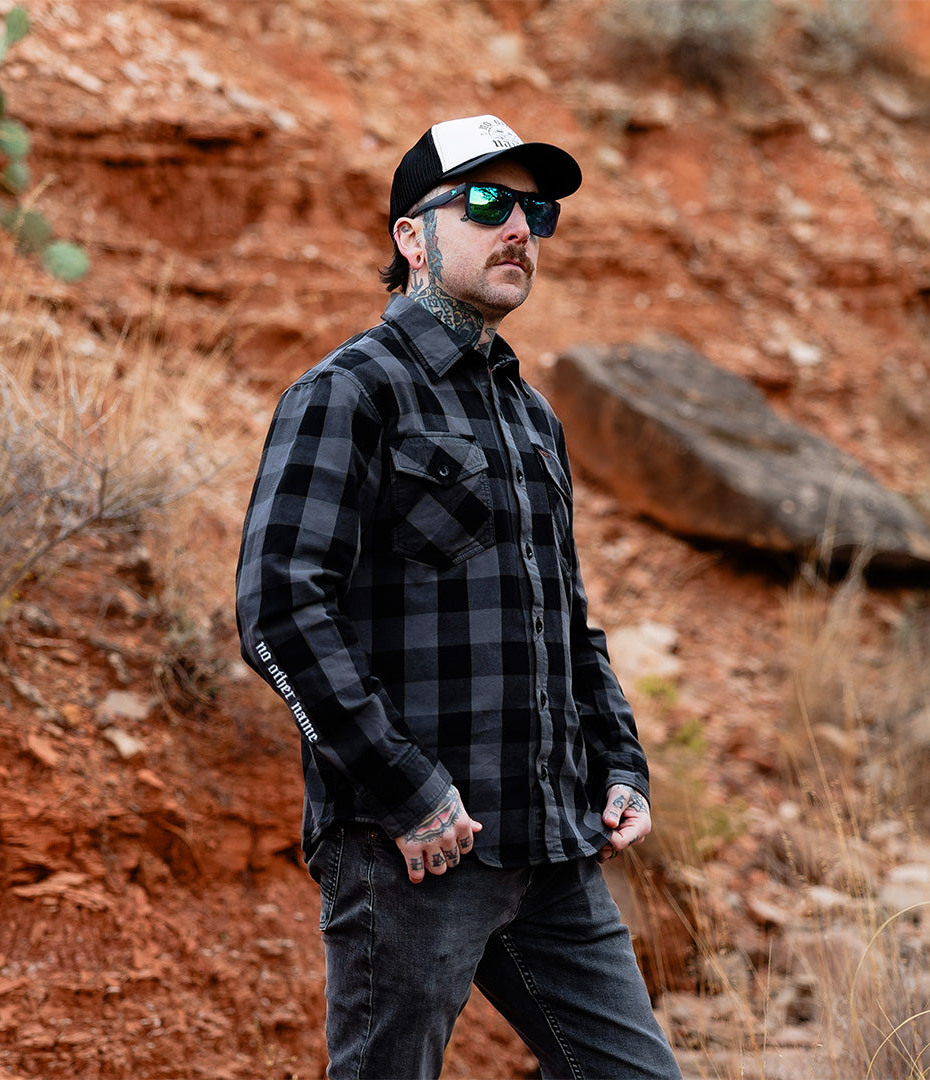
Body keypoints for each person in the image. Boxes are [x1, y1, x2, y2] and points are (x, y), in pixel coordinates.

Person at [236, 114, 682, 1080]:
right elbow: (278, 609)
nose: (518, 227)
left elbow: (566, 615)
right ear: (412, 237)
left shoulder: (532, 416)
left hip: (551, 844)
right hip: (414, 855)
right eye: (486, 203)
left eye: (536, 210)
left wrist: (620, 763)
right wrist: (410, 792)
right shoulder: (350, 392)